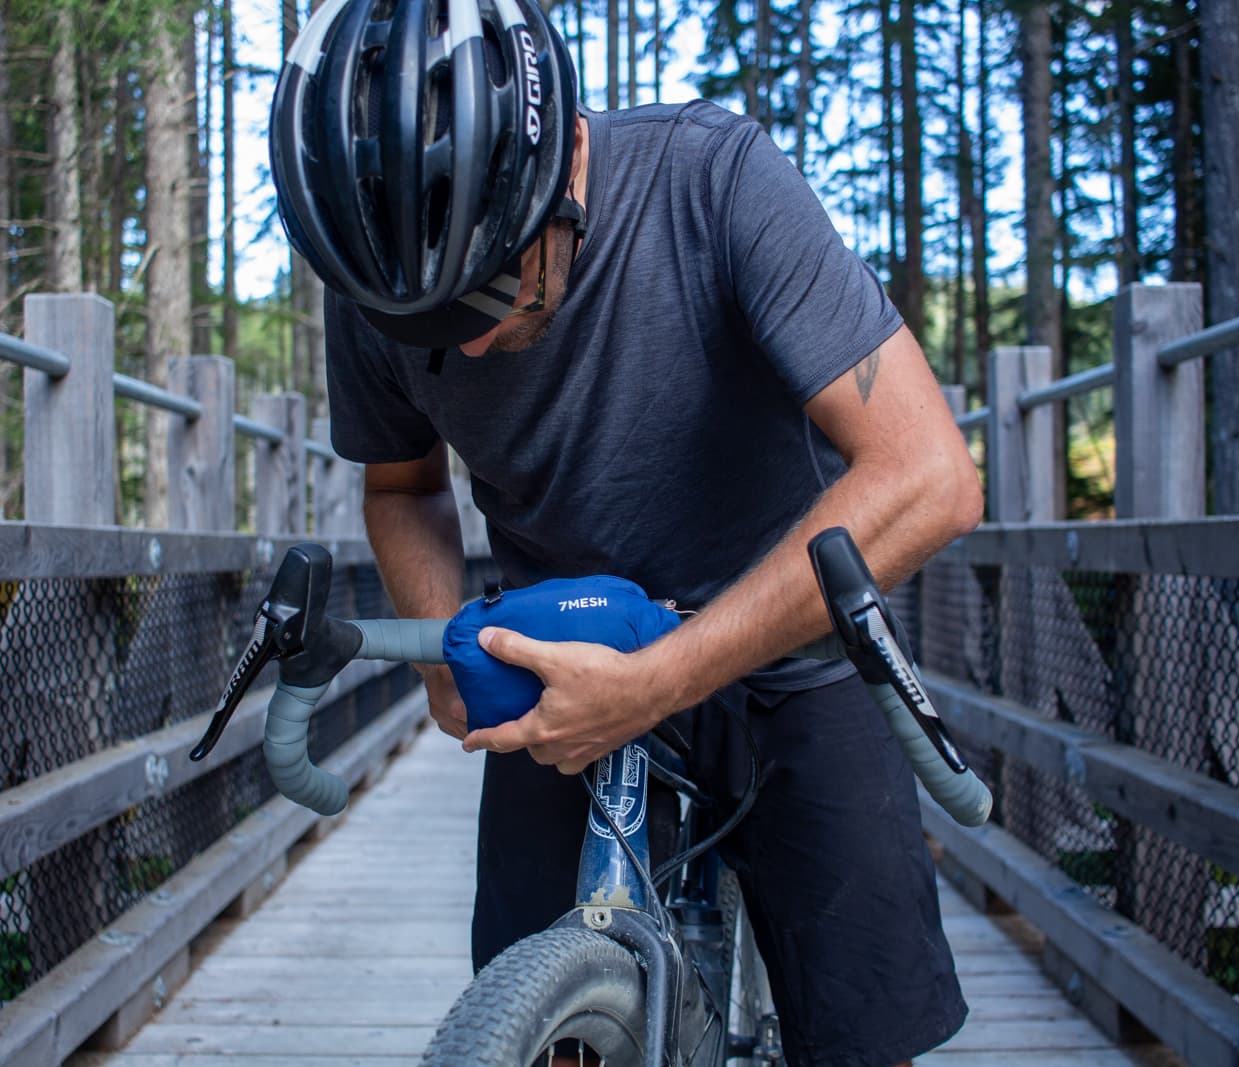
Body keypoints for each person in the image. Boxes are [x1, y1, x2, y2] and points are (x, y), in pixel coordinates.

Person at [269, 0, 984, 1062]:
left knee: (860, 1025)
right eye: (422, 328)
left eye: (492, 293)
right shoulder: (385, 262)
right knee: (524, 1025)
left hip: (787, 636)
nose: (469, 347)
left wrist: (663, 678)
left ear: (565, 165)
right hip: (560, 650)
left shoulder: (715, 180)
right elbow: (403, 485)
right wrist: (438, 651)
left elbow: (929, 476)